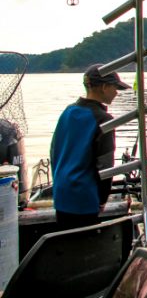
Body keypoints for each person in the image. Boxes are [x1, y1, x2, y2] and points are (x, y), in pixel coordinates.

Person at [50, 64, 130, 229]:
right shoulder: (104, 120)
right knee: (84, 241)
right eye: (115, 87)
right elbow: (105, 167)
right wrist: (102, 200)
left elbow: (54, 152)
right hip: (84, 198)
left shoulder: (68, 111)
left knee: (66, 240)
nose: (116, 93)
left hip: (61, 194)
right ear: (104, 87)